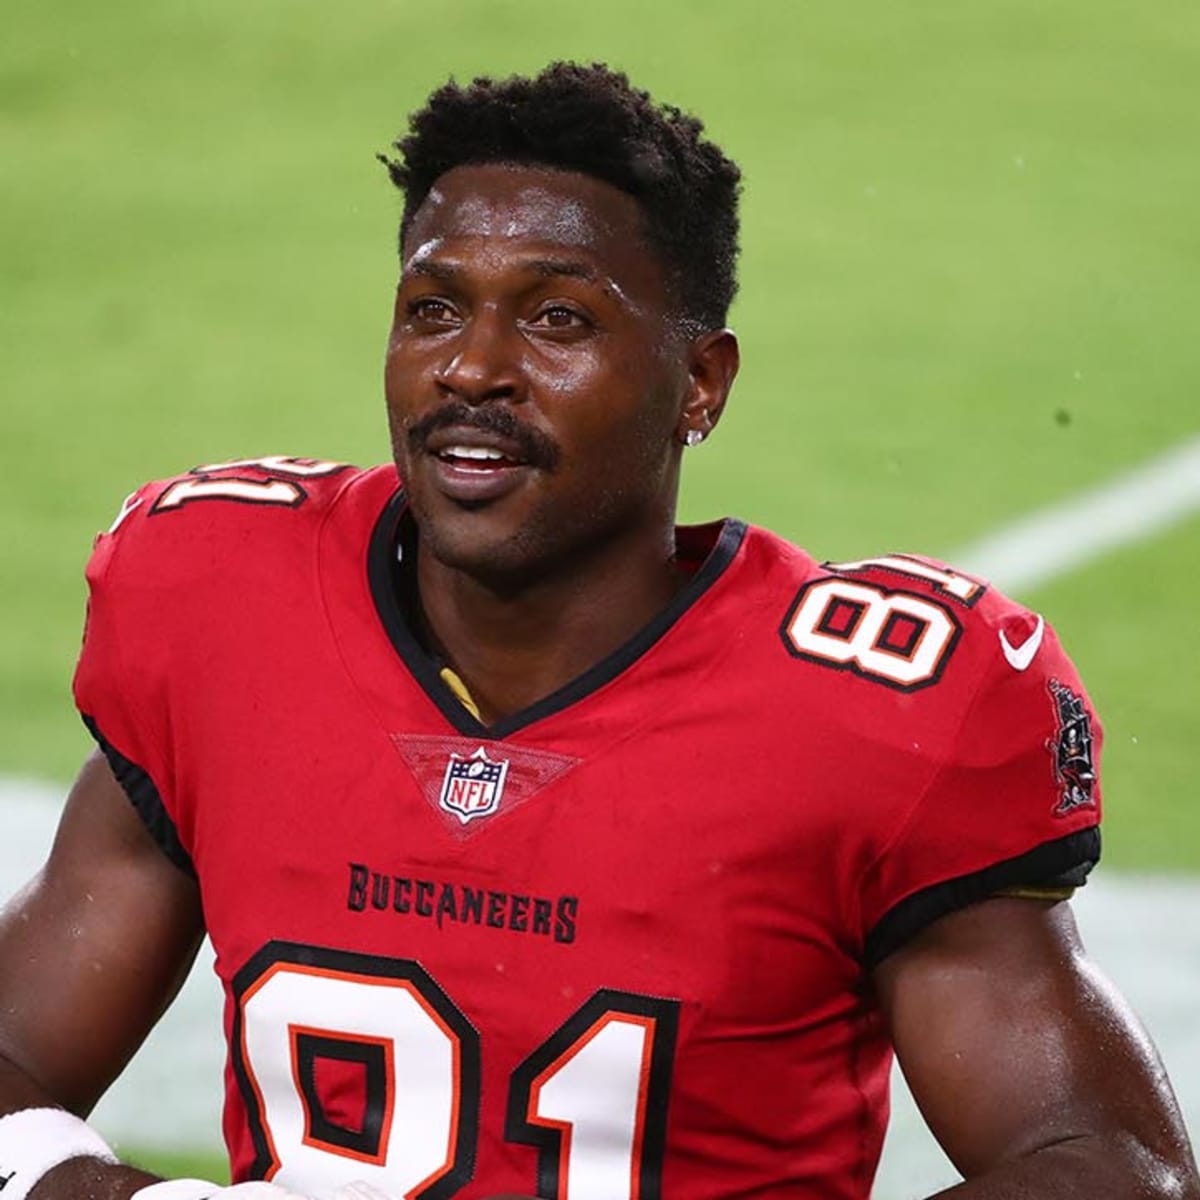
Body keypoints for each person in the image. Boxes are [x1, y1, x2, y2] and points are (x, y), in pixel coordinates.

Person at [0, 61, 1195, 1200]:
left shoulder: (865, 714)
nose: (473, 368)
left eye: (558, 320)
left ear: (700, 385)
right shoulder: (225, 613)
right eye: (433, 309)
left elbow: (1108, 1165)